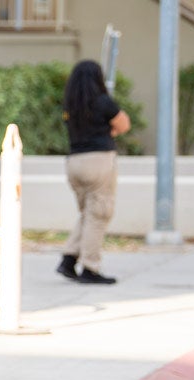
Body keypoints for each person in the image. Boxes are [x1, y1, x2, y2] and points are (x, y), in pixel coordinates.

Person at [56, 59, 131, 285]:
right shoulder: (103, 102)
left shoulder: (71, 106)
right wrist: (110, 130)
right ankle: (90, 268)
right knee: (99, 215)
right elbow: (124, 124)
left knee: (89, 214)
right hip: (98, 162)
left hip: (74, 164)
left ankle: (69, 259)